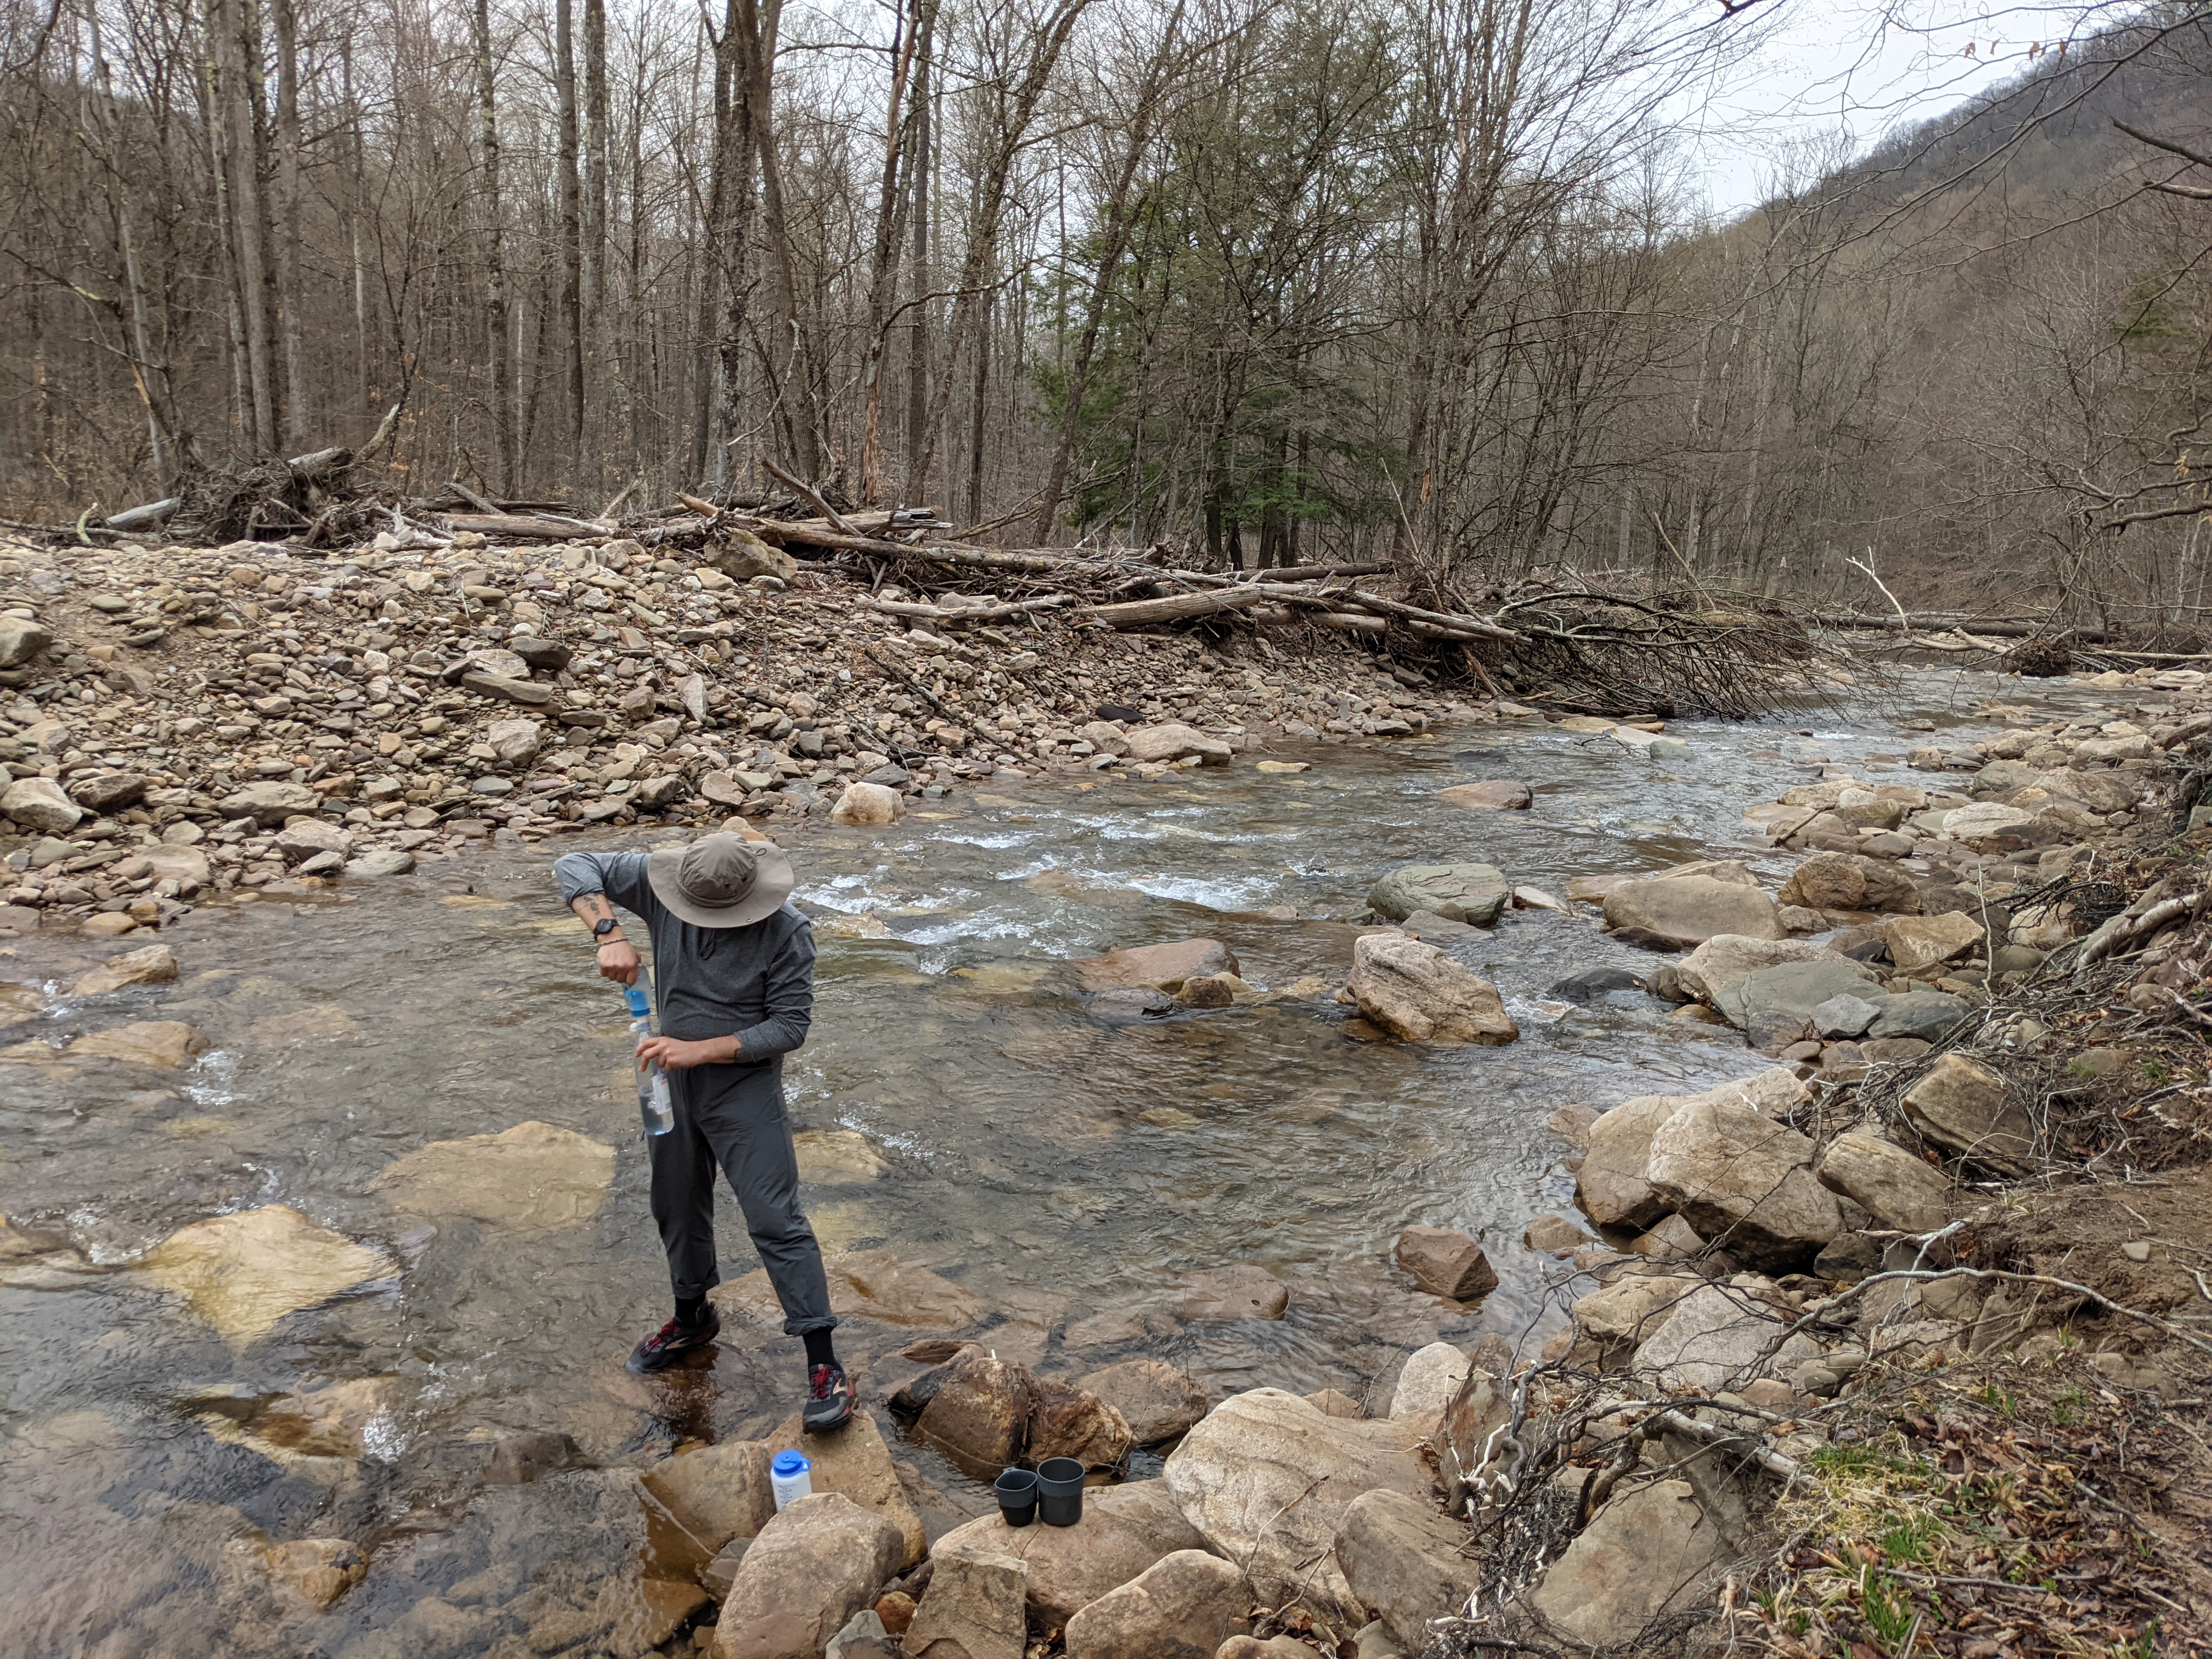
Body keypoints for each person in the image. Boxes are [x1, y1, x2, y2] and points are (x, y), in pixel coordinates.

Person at [552, 828, 851, 1430]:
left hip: (742, 1086)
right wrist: (608, 932)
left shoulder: (789, 930)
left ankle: (824, 1362)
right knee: (676, 1204)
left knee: (775, 1218)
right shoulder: (662, 881)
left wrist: (704, 1049)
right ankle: (692, 1319)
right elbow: (573, 862)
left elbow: (790, 1027)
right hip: (667, 1077)